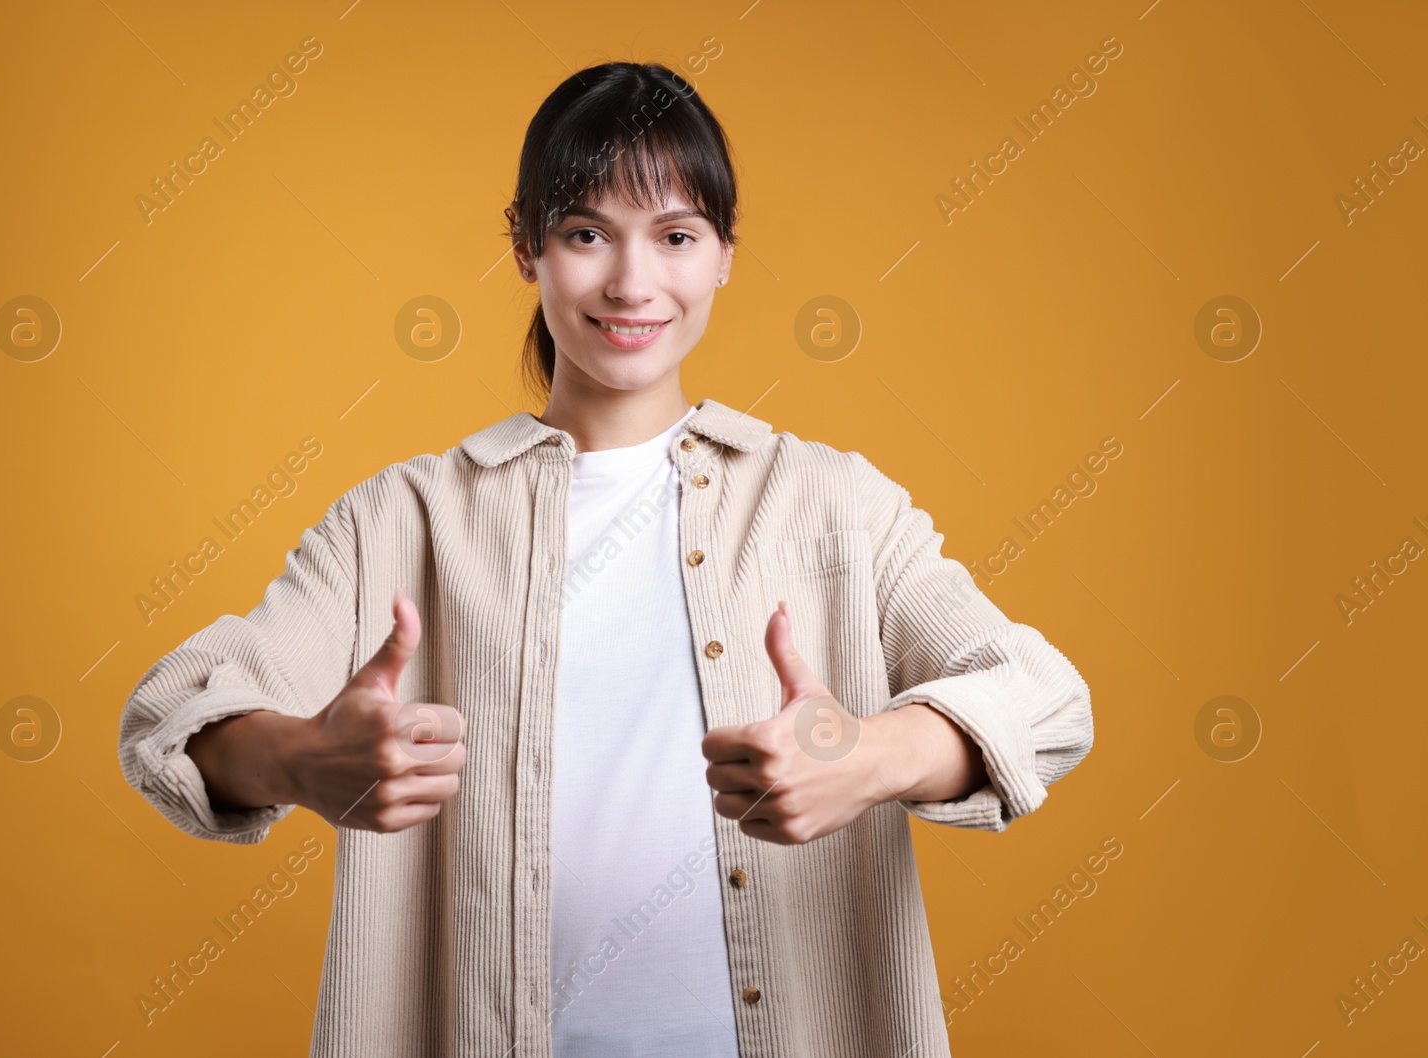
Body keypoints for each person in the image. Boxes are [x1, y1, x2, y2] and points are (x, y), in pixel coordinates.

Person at [117, 61, 1094, 1058]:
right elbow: (169, 715)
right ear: (525, 244)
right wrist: (298, 757)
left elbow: (1045, 695)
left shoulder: (833, 503)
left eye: (675, 236)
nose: (631, 282)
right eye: (587, 233)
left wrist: (874, 758)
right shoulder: (400, 521)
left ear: (722, 255)